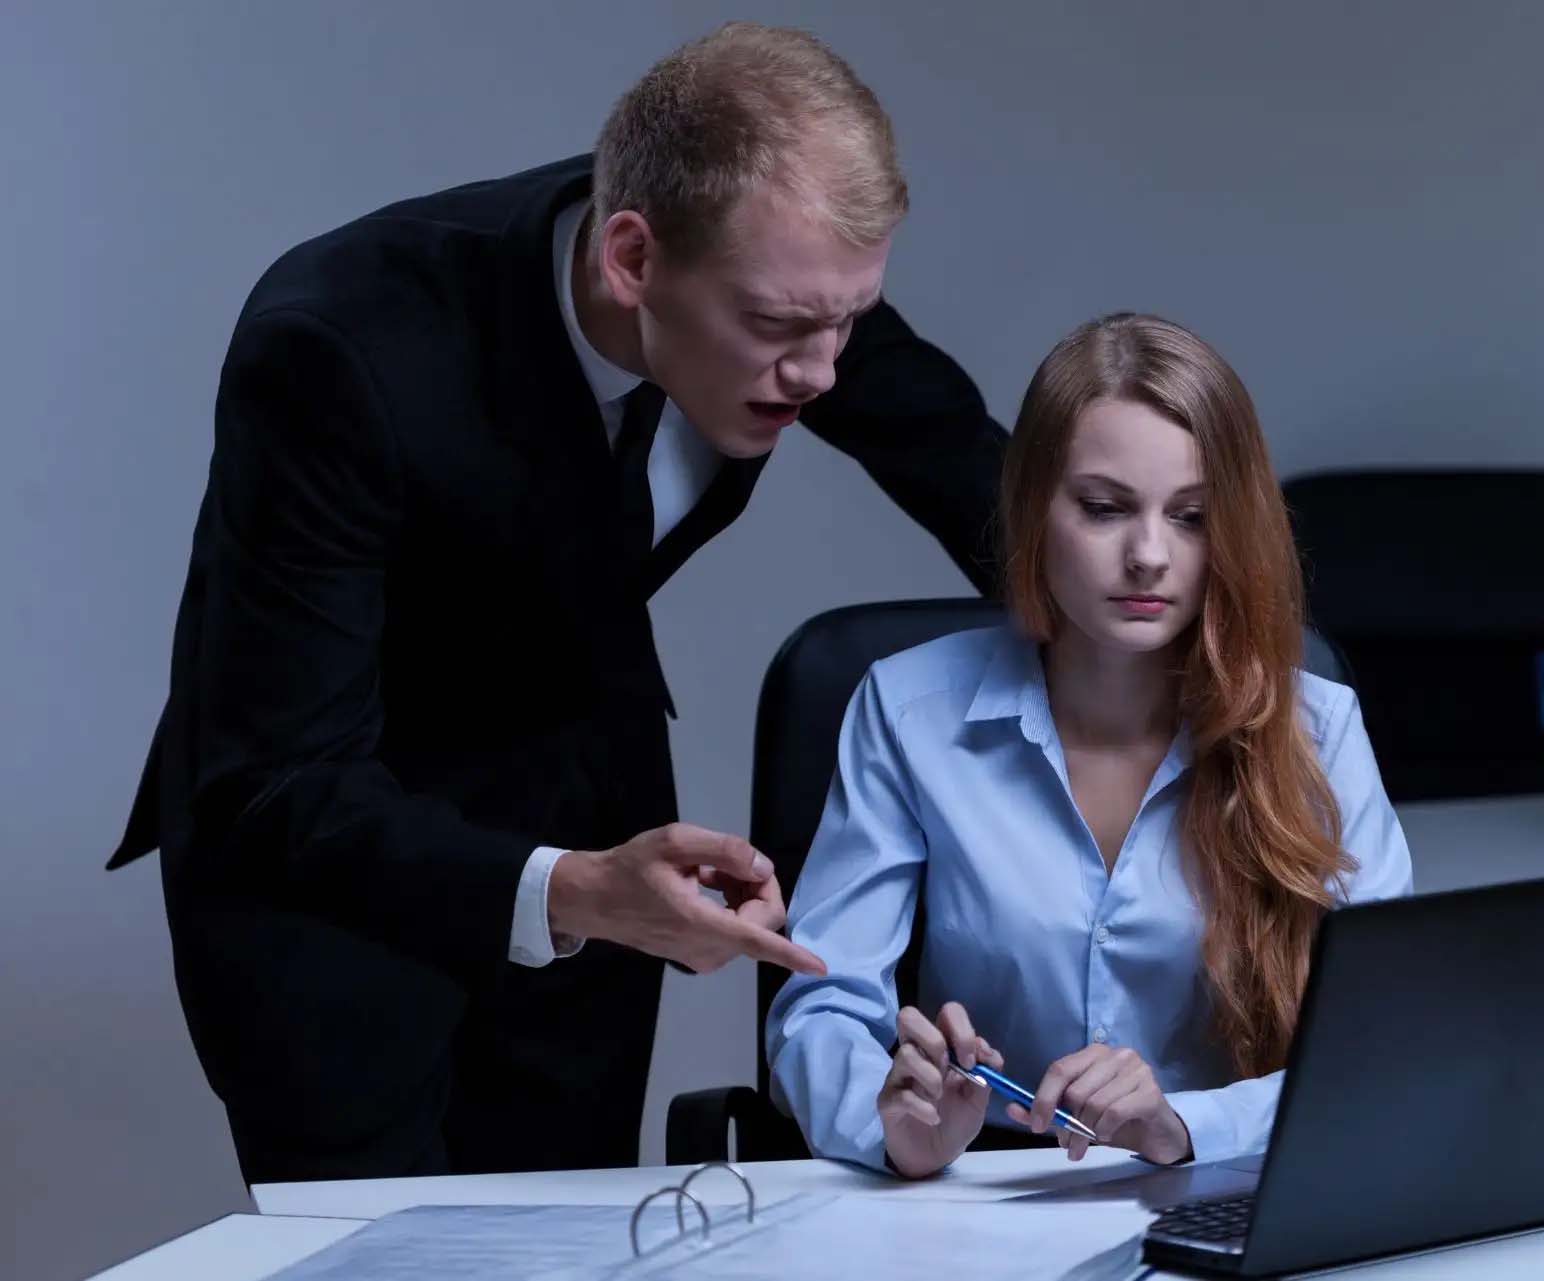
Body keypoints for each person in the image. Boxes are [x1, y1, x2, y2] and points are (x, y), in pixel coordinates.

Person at [106, 22, 1006, 1182]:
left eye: (849, 319)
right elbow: (275, 778)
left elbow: (985, 481)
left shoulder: (787, 289)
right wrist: (573, 887)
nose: (824, 371)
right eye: (785, 330)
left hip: (586, 816)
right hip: (326, 868)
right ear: (633, 260)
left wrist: (1191, 645)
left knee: (568, 1238)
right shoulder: (336, 348)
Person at [766, 313, 1412, 1177]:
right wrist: (893, 1127)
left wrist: (1181, 1122)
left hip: (1221, 1192)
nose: (1149, 555)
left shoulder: (1317, 727)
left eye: (1191, 517)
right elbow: (822, 1007)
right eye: (1105, 509)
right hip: (970, 1196)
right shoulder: (906, 709)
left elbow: (1381, 1048)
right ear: (1034, 507)